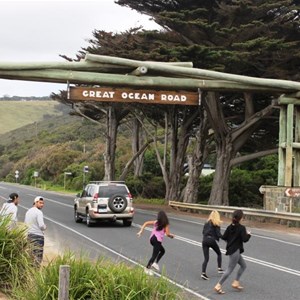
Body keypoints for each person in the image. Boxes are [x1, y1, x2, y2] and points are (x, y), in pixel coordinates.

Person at [214, 209, 251, 295]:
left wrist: (230, 241)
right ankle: (218, 285)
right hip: (235, 251)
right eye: (242, 217)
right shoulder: (242, 228)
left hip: (232, 250)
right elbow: (245, 239)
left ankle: (236, 282)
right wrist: (249, 234)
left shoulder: (229, 227)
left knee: (243, 265)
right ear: (240, 218)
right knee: (229, 269)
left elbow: (224, 237)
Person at [137, 210, 175, 275]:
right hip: (157, 240)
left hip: (152, 239)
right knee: (154, 256)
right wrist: (172, 236)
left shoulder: (156, 222)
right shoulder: (166, 224)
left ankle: (155, 263)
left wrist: (141, 231)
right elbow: (168, 234)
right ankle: (147, 269)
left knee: (162, 251)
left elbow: (146, 223)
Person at [24, 196, 47, 267]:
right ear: (35, 202)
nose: (42, 205)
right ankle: (36, 273)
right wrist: (45, 227)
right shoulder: (39, 212)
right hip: (38, 237)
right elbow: (41, 226)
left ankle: (30, 272)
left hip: (29, 236)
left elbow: (25, 223)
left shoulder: (28, 211)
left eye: (43, 203)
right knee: (38, 257)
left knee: (30, 256)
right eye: (40, 203)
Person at [201, 210, 224, 280]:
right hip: (211, 240)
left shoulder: (206, 223)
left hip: (204, 240)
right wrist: (225, 237)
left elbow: (203, 232)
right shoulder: (216, 223)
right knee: (219, 253)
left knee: (206, 258)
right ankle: (219, 268)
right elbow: (219, 234)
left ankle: (203, 273)